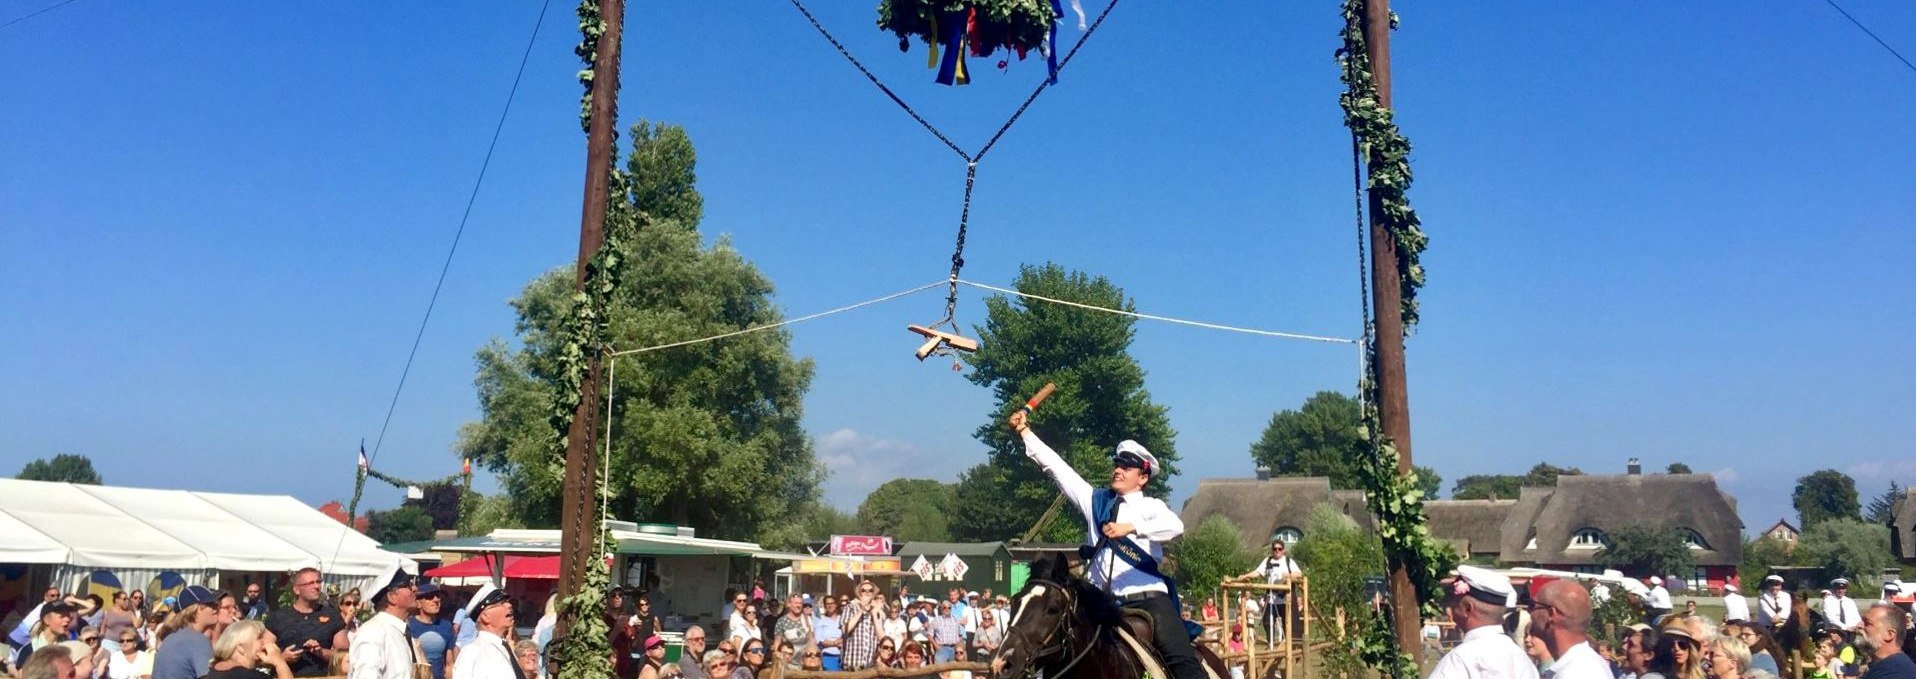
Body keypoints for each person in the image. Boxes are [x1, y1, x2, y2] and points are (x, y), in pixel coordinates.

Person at [1010, 408, 1203, 679]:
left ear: (1143, 477)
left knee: (1185, 665)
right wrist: (1025, 432)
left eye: (1127, 466)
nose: (1118, 470)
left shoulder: (1152, 506)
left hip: (1149, 603)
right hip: (1101, 607)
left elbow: (1176, 528)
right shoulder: (1095, 501)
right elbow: (1058, 468)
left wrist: (1132, 527)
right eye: (1117, 464)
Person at [1428, 566, 1538, 679]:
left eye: (1455, 605)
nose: (1452, 611)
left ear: (1467, 608)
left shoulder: (1459, 660)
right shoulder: (1522, 659)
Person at [265, 568, 345, 677]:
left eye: (318, 582)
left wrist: (321, 652)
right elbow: (261, 654)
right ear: (296, 590)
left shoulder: (332, 615)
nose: (317, 587)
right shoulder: (278, 617)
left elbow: (345, 656)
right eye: (310, 583)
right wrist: (282, 658)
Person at [1531, 580, 1614, 679]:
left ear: (1550, 613)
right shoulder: (1582, 664)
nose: (1530, 613)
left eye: (1533, 606)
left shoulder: (1577, 672)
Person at [346, 565, 418, 679]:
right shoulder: (373, 633)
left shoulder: (401, 632)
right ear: (392, 597)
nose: (414, 589)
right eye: (408, 585)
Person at [1232, 539, 1303, 646]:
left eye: (1279, 549)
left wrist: (1287, 576)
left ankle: (1289, 645)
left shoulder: (1288, 561)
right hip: (1271, 598)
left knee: (1288, 623)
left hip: (1285, 599)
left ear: (1283, 550)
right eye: (1275, 549)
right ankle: (1270, 644)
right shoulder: (1268, 561)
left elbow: (1299, 574)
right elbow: (1258, 572)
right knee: (1267, 621)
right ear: (1272, 550)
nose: (1277, 551)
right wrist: (1245, 575)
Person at [151, 588, 220, 679]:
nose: (217, 608)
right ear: (197, 609)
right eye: (212, 604)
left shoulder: (170, 638)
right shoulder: (197, 641)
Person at [449, 585, 514, 679]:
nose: (509, 605)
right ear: (485, 617)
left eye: (507, 601)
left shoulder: (504, 647)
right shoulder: (472, 652)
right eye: (502, 603)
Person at [206, 620, 293, 679]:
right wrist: (280, 663)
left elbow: (272, 638)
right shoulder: (250, 676)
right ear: (241, 648)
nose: (264, 643)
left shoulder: (214, 671)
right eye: (259, 638)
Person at [408, 584, 456, 679]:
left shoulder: (446, 625)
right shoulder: (408, 626)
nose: (436, 600)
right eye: (429, 597)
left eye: (438, 596)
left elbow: (449, 664)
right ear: (418, 603)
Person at [1860, 604, 1916, 679]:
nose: (1859, 626)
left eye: (1867, 623)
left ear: (1889, 634)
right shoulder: (1884, 666)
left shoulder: (1895, 673)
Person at [843, 580, 883, 671]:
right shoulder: (850, 607)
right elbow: (845, 630)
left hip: (870, 665)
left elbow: (881, 638)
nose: (867, 593)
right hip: (853, 663)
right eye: (864, 590)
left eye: (870, 590)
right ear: (859, 594)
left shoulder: (876, 611)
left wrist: (874, 613)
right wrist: (861, 610)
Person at [813, 596, 844, 670]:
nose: (830, 606)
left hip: (844, 655)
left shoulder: (843, 619)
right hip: (828, 655)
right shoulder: (821, 622)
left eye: (832, 603)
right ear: (825, 606)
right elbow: (820, 640)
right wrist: (835, 642)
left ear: (836, 605)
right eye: (827, 604)